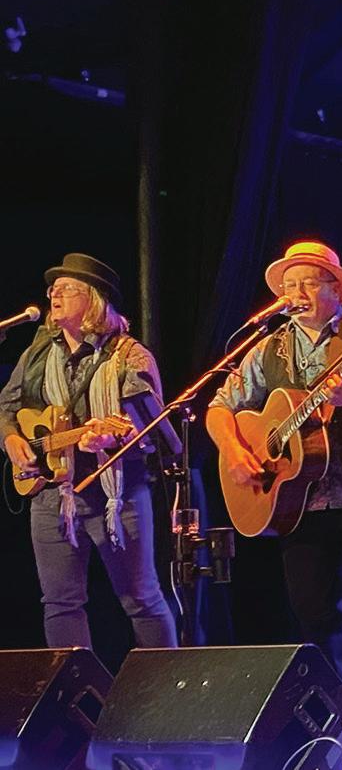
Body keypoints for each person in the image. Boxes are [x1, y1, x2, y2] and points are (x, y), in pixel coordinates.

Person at [205, 241, 342, 738]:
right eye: (288, 285)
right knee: (313, 611)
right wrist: (234, 451)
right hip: (297, 500)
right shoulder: (267, 347)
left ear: (334, 290)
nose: (295, 293)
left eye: (307, 283)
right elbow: (219, 406)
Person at [0, 253, 178, 650]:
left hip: (117, 495)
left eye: (67, 288)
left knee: (141, 599)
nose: (54, 294)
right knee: (60, 604)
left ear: (94, 299)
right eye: (53, 288)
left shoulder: (130, 356)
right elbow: (6, 408)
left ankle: (166, 683)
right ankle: (73, 684)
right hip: (53, 496)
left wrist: (109, 439)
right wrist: (11, 439)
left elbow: (148, 429)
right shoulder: (37, 354)